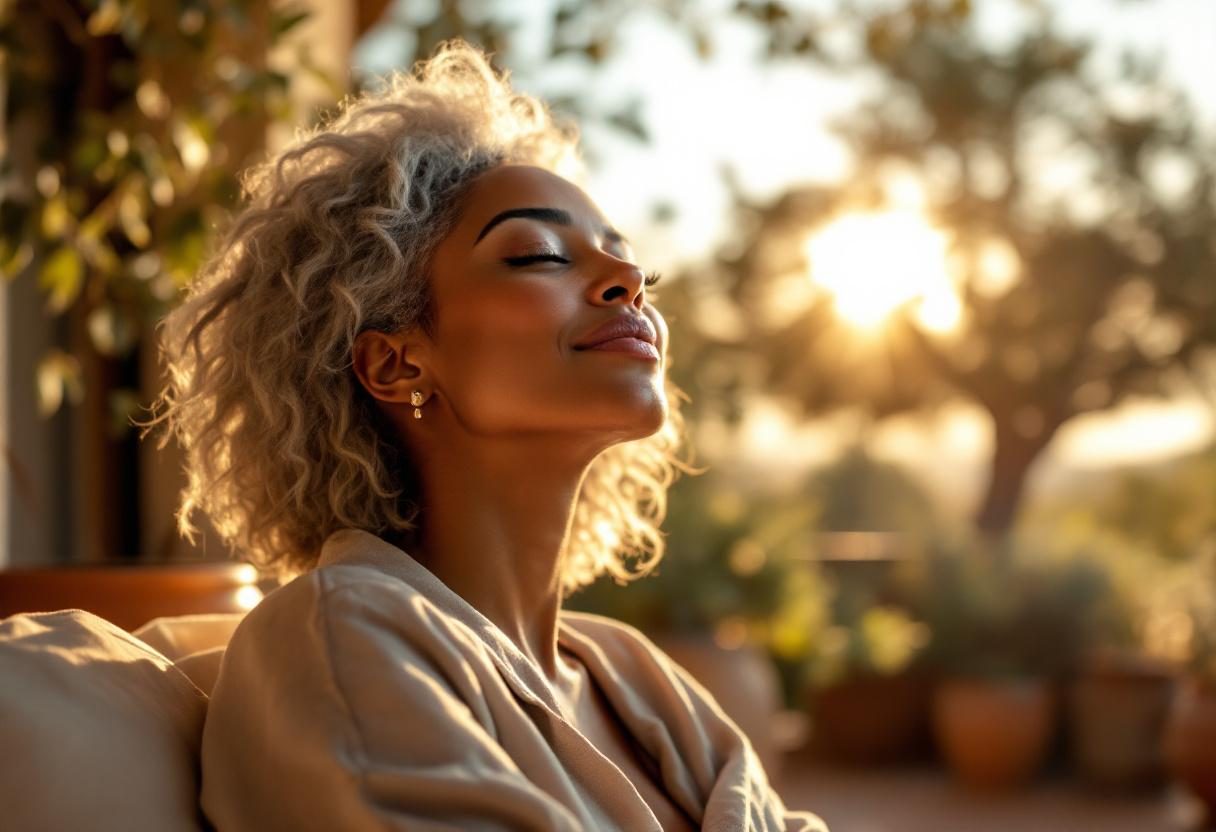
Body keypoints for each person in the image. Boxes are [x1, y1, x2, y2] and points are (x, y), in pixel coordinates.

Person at [146, 38, 830, 832]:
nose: (630, 283)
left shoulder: (633, 676)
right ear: (397, 363)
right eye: (539, 253)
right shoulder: (342, 638)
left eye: (624, 260)